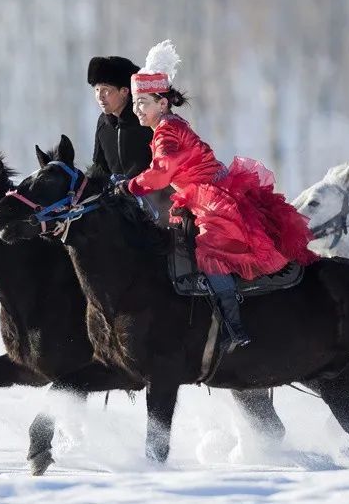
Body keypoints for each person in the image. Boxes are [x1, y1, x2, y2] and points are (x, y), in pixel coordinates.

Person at [118, 40, 319, 352]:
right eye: (134, 103)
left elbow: (161, 172)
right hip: (208, 191)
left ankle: (234, 326)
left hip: (209, 198)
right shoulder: (170, 125)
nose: (137, 109)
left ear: (162, 103)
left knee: (211, 251)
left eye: (143, 102)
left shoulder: (165, 133)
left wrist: (131, 186)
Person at [88, 55, 173, 223]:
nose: (100, 96)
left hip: (160, 201)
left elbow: (167, 164)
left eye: (106, 90)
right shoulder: (103, 123)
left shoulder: (147, 118)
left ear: (125, 91)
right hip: (120, 205)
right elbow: (100, 167)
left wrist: (135, 185)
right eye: (97, 90)